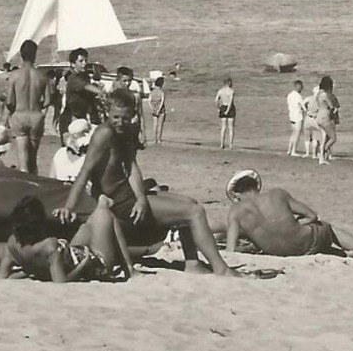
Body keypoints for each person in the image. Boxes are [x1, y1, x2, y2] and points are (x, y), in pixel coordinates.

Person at [56, 89, 235, 275]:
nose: (120, 122)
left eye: (125, 118)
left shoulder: (126, 132)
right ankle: (221, 269)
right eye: (116, 117)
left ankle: (192, 263)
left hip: (129, 196)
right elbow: (85, 172)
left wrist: (141, 199)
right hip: (118, 202)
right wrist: (69, 206)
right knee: (194, 212)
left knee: (190, 203)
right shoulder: (103, 134)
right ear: (107, 112)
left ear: (132, 115)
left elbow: (132, 168)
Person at [220, 169, 353, 259]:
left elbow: (231, 250)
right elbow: (312, 216)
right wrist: (293, 224)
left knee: (292, 241)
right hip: (309, 242)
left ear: (237, 194)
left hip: (284, 254)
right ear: (256, 186)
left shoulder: (235, 212)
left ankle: (346, 254)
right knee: (326, 227)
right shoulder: (277, 194)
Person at [0, 196, 133, 284]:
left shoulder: (11, 244)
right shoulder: (49, 246)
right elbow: (61, 282)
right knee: (104, 213)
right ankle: (130, 269)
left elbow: (3, 276)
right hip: (97, 263)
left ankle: (99, 209)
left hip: (75, 253)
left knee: (89, 225)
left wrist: (32, 271)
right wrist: (82, 266)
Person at [2, 40, 52, 175]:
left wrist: (12, 113)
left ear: (21, 55)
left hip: (20, 115)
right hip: (36, 116)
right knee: (33, 161)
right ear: (35, 55)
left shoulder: (14, 75)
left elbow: (9, 101)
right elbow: (47, 101)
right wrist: (39, 110)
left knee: (23, 162)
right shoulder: (43, 76)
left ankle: (24, 191)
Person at [312, 74, 340, 164]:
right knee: (333, 138)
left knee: (324, 138)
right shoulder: (324, 95)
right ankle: (321, 153)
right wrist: (334, 109)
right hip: (325, 118)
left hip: (319, 117)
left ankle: (321, 158)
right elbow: (332, 106)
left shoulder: (318, 94)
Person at [284, 79, 306, 156]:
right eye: (301, 87)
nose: (302, 89)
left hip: (291, 116)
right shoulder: (298, 96)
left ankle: (289, 150)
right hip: (298, 116)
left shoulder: (289, 95)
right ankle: (293, 151)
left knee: (293, 133)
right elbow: (303, 107)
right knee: (297, 134)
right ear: (298, 86)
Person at [216, 76, 237, 149]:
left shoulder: (220, 91)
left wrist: (218, 108)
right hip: (230, 108)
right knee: (231, 127)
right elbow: (231, 102)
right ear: (230, 82)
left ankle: (222, 143)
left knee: (223, 127)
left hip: (223, 106)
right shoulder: (231, 91)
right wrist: (228, 110)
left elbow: (216, 101)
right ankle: (230, 144)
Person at [148, 77, 168, 144]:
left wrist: (152, 108)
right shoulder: (161, 92)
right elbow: (162, 101)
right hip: (161, 110)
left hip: (154, 109)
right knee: (160, 125)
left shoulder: (152, 92)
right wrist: (159, 109)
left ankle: (154, 139)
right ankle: (159, 139)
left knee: (155, 125)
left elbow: (149, 100)